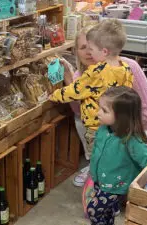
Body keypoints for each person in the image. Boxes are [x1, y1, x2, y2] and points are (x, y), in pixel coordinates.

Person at [62, 24, 147, 188]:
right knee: (83, 123)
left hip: (141, 124)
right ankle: (99, 162)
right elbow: (79, 112)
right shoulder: (81, 75)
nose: (88, 52)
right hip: (111, 123)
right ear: (76, 52)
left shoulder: (127, 66)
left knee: (118, 155)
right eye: (83, 47)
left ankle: (129, 162)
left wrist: (127, 135)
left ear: (105, 48)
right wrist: (70, 82)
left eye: (92, 46)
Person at [50, 19, 133, 172]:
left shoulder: (97, 71)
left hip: (96, 126)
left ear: (104, 52)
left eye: (92, 50)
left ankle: (97, 183)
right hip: (117, 123)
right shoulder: (125, 68)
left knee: (97, 158)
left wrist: (54, 95)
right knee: (111, 157)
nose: (90, 53)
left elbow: (75, 90)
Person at [79, 86, 147, 225]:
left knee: (93, 209)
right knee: (105, 211)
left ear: (121, 117)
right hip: (100, 179)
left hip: (115, 186)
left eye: (104, 110)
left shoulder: (131, 140)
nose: (98, 113)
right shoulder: (104, 129)